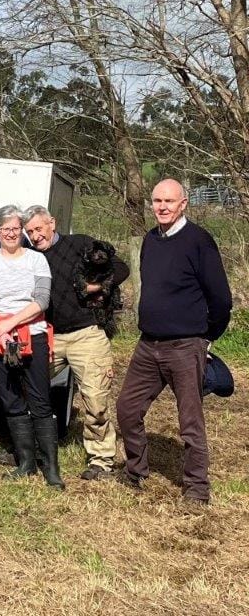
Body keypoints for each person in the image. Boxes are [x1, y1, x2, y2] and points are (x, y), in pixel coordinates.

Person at [116, 179, 232, 504]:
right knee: (127, 408)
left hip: (185, 346)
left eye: (169, 201)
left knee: (189, 422)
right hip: (147, 344)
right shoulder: (151, 240)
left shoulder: (199, 241)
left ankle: (197, 489)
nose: (162, 206)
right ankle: (136, 471)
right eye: (157, 201)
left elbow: (221, 299)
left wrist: (206, 338)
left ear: (183, 204)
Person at [22, 204, 129, 480]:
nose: (35, 236)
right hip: (48, 334)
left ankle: (101, 460)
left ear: (52, 223)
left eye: (39, 228)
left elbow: (120, 267)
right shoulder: (30, 256)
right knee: (29, 386)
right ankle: (30, 446)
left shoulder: (80, 244)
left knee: (95, 398)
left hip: (87, 333)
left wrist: (97, 287)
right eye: (30, 231)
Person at [0, 205, 63, 489]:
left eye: (16, 229)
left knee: (40, 399)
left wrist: (7, 325)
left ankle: (50, 466)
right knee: (10, 400)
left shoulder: (37, 261)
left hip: (30, 334)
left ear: (21, 231)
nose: (11, 234)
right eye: (5, 229)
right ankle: (25, 462)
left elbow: (42, 301)